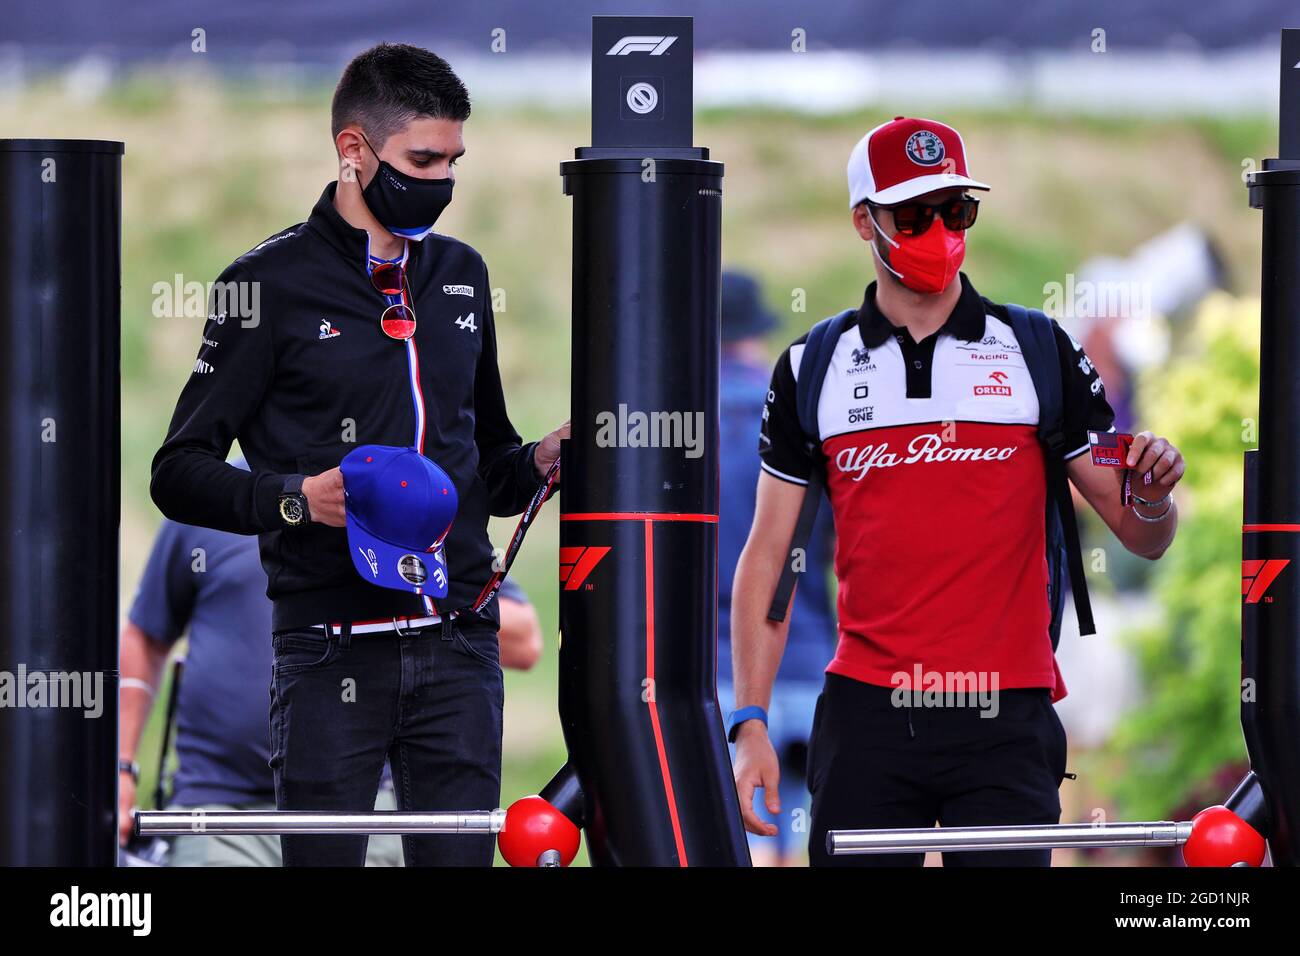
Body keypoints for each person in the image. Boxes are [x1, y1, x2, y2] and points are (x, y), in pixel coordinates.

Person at [149, 42, 567, 867]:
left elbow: (484, 463)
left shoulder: (461, 276)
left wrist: (543, 459)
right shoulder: (265, 286)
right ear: (353, 150)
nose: (441, 182)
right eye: (422, 160)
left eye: (454, 162)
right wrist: (300, 497)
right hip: (328, 644)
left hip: (457, 642)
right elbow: (177, 470)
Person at [728, 116, 1186, 867]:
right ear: (863, 221)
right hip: (869, 711)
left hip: (1007, 714)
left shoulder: (1039, 348)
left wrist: (1154, 494)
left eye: (956, 209)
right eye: (913, 213)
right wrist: (749, 722)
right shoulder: (814, 365)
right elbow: (769, 556)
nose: (938, 229)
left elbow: (1141, 532)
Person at [117, 462, 545, 866]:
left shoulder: (391, 491)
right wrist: (121, 767)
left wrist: (420, 597)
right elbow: (146, 633)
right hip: (220, 809)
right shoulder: (212, 494)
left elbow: (524, 638)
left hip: (365, 807)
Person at [715, 271, 836, 866]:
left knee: (738, 839)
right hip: (811, 659)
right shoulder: (799, 416)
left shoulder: (668, 424)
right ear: (755, 334)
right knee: (808, 837)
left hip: (715, 671)